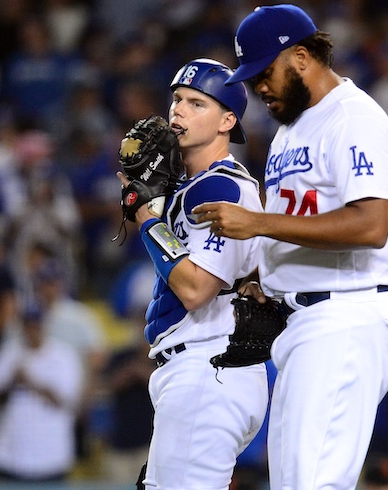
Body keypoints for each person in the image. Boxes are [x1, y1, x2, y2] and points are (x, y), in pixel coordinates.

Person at [192, 6, 388, 489]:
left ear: (300, 57)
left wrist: (256, 222)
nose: (258, 87)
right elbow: (295, 225)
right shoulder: (289, 131)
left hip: (347, 313)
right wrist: (265, 281)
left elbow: (370, 225)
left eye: (264, 72)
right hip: (306, 320)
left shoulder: (353, 118)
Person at [116, 58, 269, 490]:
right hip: (200, 370)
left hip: (209, 367)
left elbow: (197, 288)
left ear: (227, 120)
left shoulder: (222, 186)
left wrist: (147, 218)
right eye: (177, 99)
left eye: (196, 103)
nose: (178, 111)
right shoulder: (190, 188)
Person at [0, 305, 84, 482]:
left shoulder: (64, 355)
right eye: (28, 324)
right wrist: (10, 382)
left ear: (45, 325)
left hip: (51, 455)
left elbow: (66, 402)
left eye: (36, 324)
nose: (32, 329)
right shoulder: (9, 352)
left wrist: (30, 382)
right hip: (10, 453)